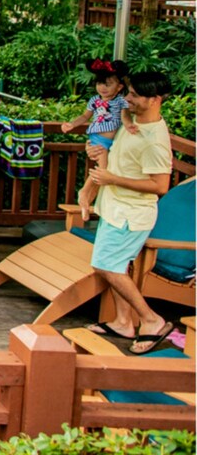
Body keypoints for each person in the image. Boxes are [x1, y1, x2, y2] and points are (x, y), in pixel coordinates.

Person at [78, 71, 174, 354]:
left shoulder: (154, 140)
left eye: (134, 95)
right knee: (115, 266)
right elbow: (114, 159)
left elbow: (160, 185)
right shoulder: (130, 123)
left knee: (106, 266)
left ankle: (152, 320)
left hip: (131, 215)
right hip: (114, 208)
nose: (127, 98)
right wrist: (96, 167)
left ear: (155, 100)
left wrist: (112, 179)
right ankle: (123, 322)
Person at [64, 58, 131, 207]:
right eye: (99, 83)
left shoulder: (120, 101)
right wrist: (72, 124)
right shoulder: (94, 100)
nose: (102, 88)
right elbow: (85, 116)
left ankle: (87, 201)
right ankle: (84, 192)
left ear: (119, 87)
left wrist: (130, 126)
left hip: (113, 142)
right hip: (98, 139)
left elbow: (125, 117)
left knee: (105, 169)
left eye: (108, 84)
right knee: (103, 169)